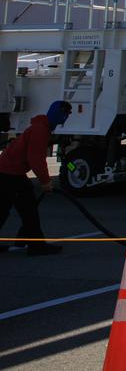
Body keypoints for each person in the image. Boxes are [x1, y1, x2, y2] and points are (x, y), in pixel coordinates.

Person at [0, 100, 71, 256]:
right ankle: (36, 246)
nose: (66, 118)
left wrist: (68, 167)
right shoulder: (40, 130)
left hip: (6, 171)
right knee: (29, 210)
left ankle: (33, 243)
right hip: (11, 173)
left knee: (4, 209)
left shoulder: (41, 128)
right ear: (61, 115)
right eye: (65, 114)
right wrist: (45, 182)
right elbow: (36, 159)